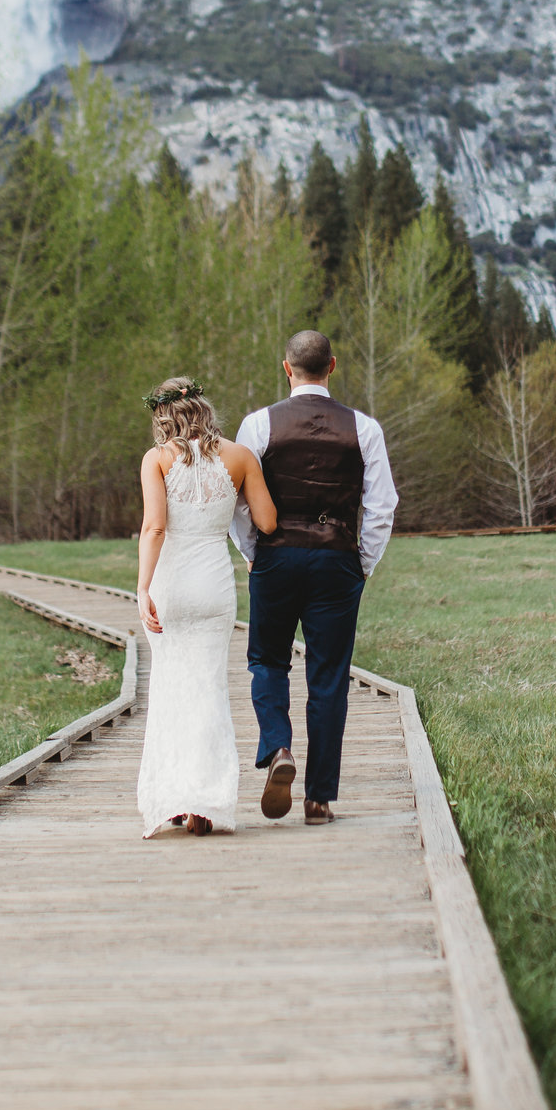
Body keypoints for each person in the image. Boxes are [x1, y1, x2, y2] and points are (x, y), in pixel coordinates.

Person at [230, 330, 398, 825]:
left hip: (276, 557)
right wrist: (361, 563)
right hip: (336, 561)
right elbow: (383, 507)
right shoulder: (364, 428)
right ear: (332, 366)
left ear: (287, 368)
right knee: (328, 677)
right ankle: (319, 798)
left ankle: (278, 748)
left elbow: (239, 502)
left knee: (266, 659)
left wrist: (253, 552)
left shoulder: (258, 425)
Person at [133, 377, 278, 837]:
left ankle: (175, 798)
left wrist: (142, 587)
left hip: (172, 585)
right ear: (204, 410)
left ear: (163, 416)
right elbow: (268, 521)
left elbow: (155, 527)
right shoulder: (239, 457)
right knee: (209, 689)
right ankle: (207, 802)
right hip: (214, 586)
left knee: (171, 691)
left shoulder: (156, 460)